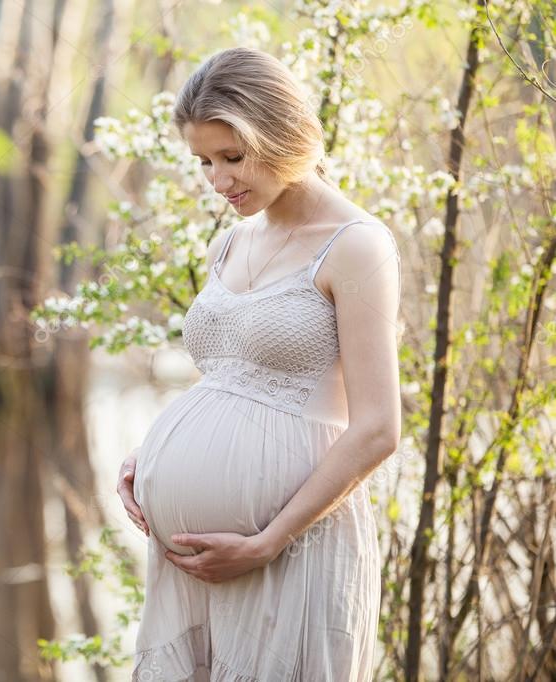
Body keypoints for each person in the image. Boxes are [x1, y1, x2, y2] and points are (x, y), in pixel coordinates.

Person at [115, 46, 402, 681]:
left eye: (232, 157)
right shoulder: (230, 243)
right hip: (196, 568)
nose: (218, 182)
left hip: (291, 550)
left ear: (281, 133)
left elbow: (379, 428)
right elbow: (233, 379)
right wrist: (152, 458)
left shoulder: (355, 246)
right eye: (204, 162)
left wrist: (264, 543)